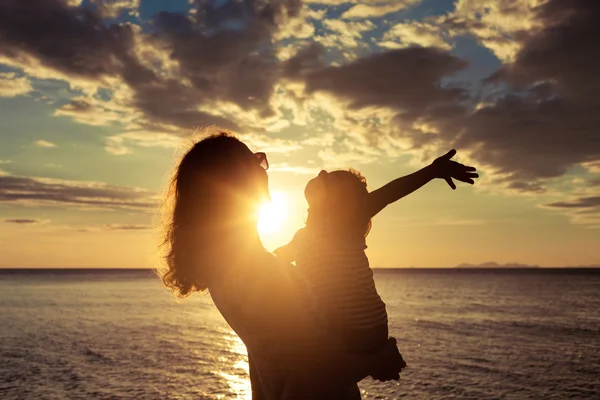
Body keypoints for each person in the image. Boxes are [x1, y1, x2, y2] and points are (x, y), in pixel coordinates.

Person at [158, 132, 406, 399]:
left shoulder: (228, 268)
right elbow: (318, 371)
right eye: (255, 160)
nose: (265, 167)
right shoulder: (260, 273)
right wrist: (377, 361)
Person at [274, 153, 478, 371]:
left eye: (331, 179)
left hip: (359, 326)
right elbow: (278, 259)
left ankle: (380, 359)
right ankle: (383, 357)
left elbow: (391, 192)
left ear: (346, 203)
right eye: (324, 173)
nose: (322, 173)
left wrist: (431, 171)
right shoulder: (302, 237)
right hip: (348, 324)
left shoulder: (345, 224)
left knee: (309, 361)